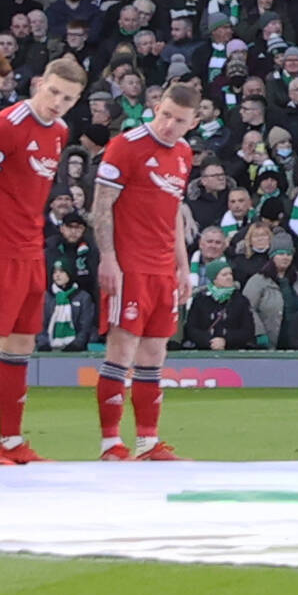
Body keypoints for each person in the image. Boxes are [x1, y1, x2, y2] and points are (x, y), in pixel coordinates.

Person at [0, 53, 81, 463]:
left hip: (31, 248)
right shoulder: (3, 128)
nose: (58, 103)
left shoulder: (60, 131)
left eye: (67, 98)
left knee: (22, 343)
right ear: (39, 84)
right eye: (53, 92)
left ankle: (12, 440)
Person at [88, 80, 206, 460]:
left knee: (155, 354)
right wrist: (108, 257)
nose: (168, 125)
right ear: (157, 106)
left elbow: (172, 213)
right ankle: (110, 443)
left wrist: (183, 267)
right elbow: (101, 205)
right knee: (121, 350)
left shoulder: (184, 154)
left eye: (179, 120)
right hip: (130, 265)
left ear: (194, 122)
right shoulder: (126, 145)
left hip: (161, 269)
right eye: (165, 114)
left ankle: (147, 441)